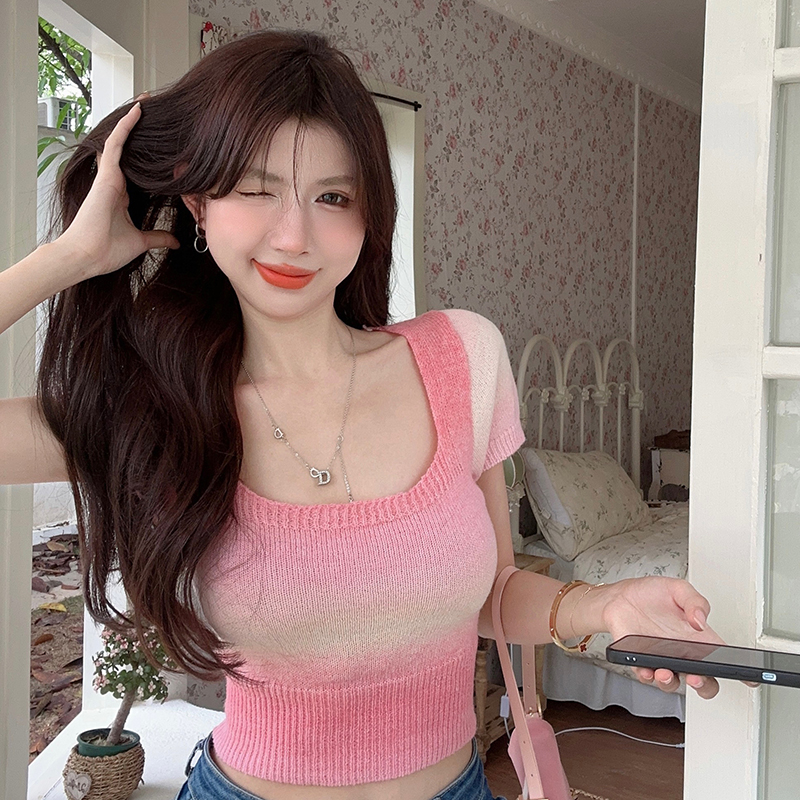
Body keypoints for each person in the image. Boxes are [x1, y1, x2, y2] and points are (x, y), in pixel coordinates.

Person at [1, 29, 724, 800]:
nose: (294, 236)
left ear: (368, 215)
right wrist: (68, 258)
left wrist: (604, 603)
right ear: (197, 204)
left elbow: (488, 590)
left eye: (332, 198)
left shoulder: (462, 358)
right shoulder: (156, 407)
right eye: (255, 188)